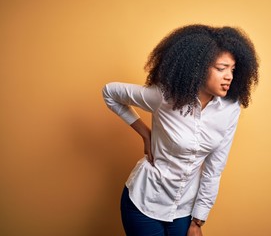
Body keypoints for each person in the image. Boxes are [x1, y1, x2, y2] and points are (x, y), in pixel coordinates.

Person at [102, 24, 259, 236]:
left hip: (184, 207)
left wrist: (198, 220)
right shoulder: (164, 97)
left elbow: (214, 169)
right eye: (221, 68)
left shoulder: (230, 109)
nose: (229, 76)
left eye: (232, 69)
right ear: (197, 68)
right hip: (144, 201)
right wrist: (144, 132)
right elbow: (110, 93)